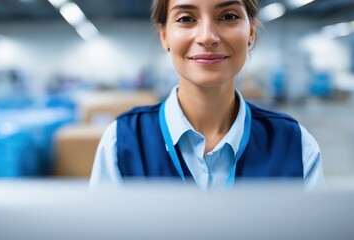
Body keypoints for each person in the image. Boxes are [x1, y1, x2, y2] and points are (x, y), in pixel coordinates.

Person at [90, 0, 324, 190]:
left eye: (229, 16)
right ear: (164, 36)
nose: (207, 36)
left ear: (251, 32)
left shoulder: (297, 145)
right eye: (186, 19)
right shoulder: (121, 142)